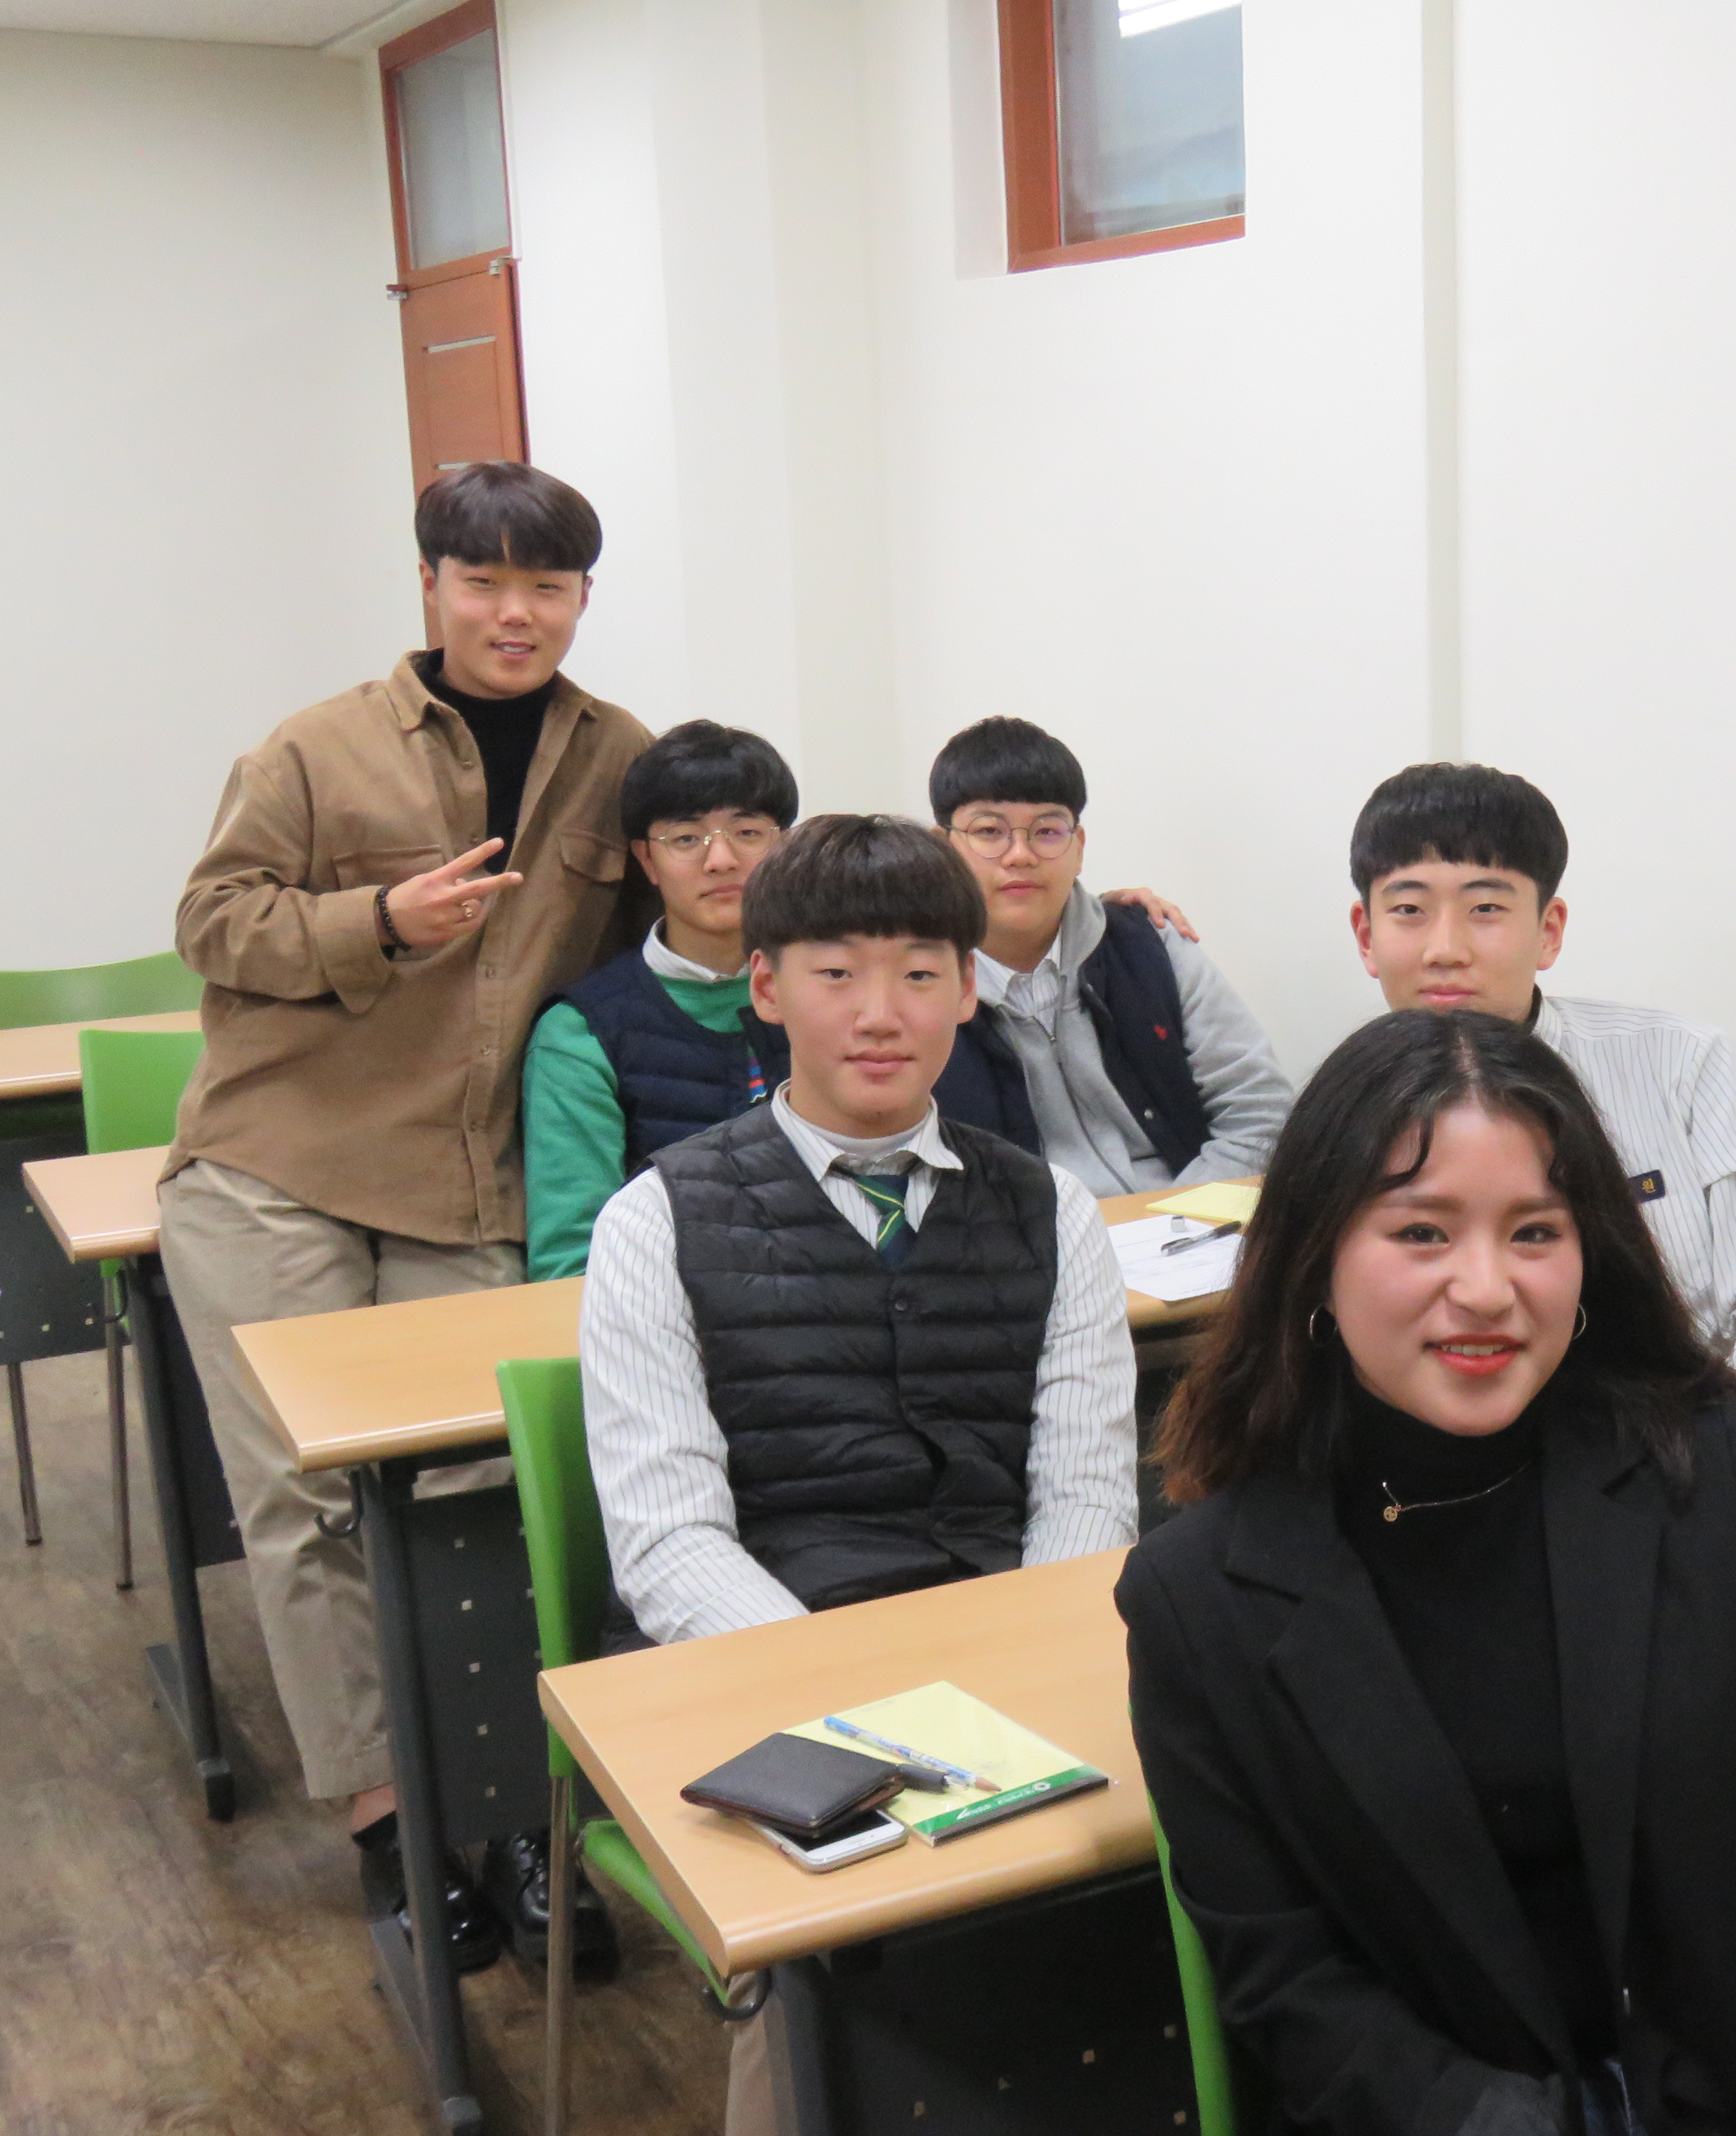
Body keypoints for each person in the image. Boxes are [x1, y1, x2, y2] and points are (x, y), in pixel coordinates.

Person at [1121, 1009, 1736, 2136]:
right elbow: (1290, 1987)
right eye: (1421, 1232)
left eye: (1535, 1232)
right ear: (1314, 1257)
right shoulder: (1200, 1596)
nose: (1485, 1287)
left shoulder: (1703, 1467)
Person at [579, 811, 1139, 2136]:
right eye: (836, 974)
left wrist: (1025, 1687)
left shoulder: (1050, 1207)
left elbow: (1086, 1491)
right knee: (827, 1940)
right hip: (765, 1655)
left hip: (1005, 1647)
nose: (881, 1014)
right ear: (767, 988)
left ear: (967, 987)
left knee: (1150, 1872)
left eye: (920, 972)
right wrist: (865, 1713)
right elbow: (669, 1548)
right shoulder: (654, 1221)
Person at [160, 460, 646, 1974]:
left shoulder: (622, 757)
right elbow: (211, 922)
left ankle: (511, 1802)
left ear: (581, 597)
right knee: (306, 1499)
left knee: (490, 1493)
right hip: (278, 1167)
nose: (515, 613)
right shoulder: (316, 747)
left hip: (473, 1181)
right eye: (482, 581)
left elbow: (718, 900)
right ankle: (392, 1817)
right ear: (430, 584)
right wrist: (375, 918)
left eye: (546, 586)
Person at [1345, 763, 1736, 1450]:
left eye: (1486, 909)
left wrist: (1731, 1449)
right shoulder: (1340, 1111)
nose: (1446, 950)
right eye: (1409, 910)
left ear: (1549, 930)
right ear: (1366, 935)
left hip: (1678, 1446)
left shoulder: (1681, 1065)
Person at [929, 716, 1291, 1197]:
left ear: (1078, 847)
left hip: (1187, 1223)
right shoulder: (921, 984)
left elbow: (1261, 1114)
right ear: (943, 849)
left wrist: (1172, 1223)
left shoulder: (1151, 946)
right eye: (989, 831)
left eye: (1047, 831)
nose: (1020, 855)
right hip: (1026, 1237)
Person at [522, 720, 799, 1278]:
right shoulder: (580, 1032)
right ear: (647, 860)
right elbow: (571, 1260)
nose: (721, 860)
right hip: (657, 1311)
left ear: (785, 846)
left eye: (748, 832)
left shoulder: (833, 993)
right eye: (687, 839)